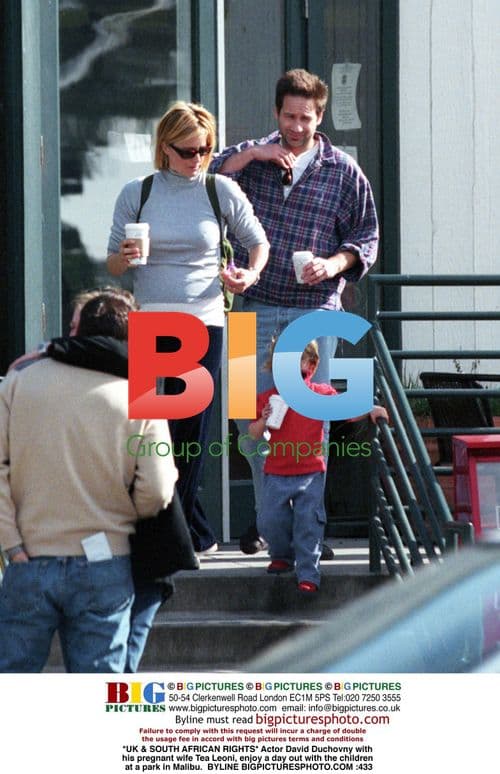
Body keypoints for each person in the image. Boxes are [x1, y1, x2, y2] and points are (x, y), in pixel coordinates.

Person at [210, 68, 379, 554]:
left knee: (310, 426)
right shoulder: (251, 158)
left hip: (316, 311)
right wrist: (254, 153)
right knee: (250, 421)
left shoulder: (344, 171)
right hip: (253, 306)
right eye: (288, 116)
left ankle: (306, 534)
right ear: (276, 113)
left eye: (306, 118)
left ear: (320, 116)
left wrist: (333, 263)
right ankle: (271, 525)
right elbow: (208, 176)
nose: (296, 126)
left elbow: (365, 238)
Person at [107, 100, 269, 555]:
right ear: (164, 147)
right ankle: (193, 532)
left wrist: (249, 275)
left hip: (204, 320)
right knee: (149, 432)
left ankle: (169, 535)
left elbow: (259, 244)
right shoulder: (137, 192)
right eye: (187, 151)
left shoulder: (220, 190)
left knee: (190, 433)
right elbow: (113, 262)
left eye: (205, 149)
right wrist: (126, 256)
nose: (196, 159)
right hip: (150, 321)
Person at [0, 290, 178, 672]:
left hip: (28, 557)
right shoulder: (141, 392)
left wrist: (11, 544)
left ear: (77, 329)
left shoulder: (18, 382)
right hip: (105, 559)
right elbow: (159, 488)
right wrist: (126, 518)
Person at [248, 341, 388, 594]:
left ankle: (308, 573)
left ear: (310, 365)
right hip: (276, 471)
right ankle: (281, 554)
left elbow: (346, 409)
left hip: (311, 471)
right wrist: (263, 420)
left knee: (309, 522)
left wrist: (371, 410)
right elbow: (254, 433)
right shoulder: (269, 398)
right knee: (269, 520)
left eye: (296, 363)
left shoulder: (320, 394)